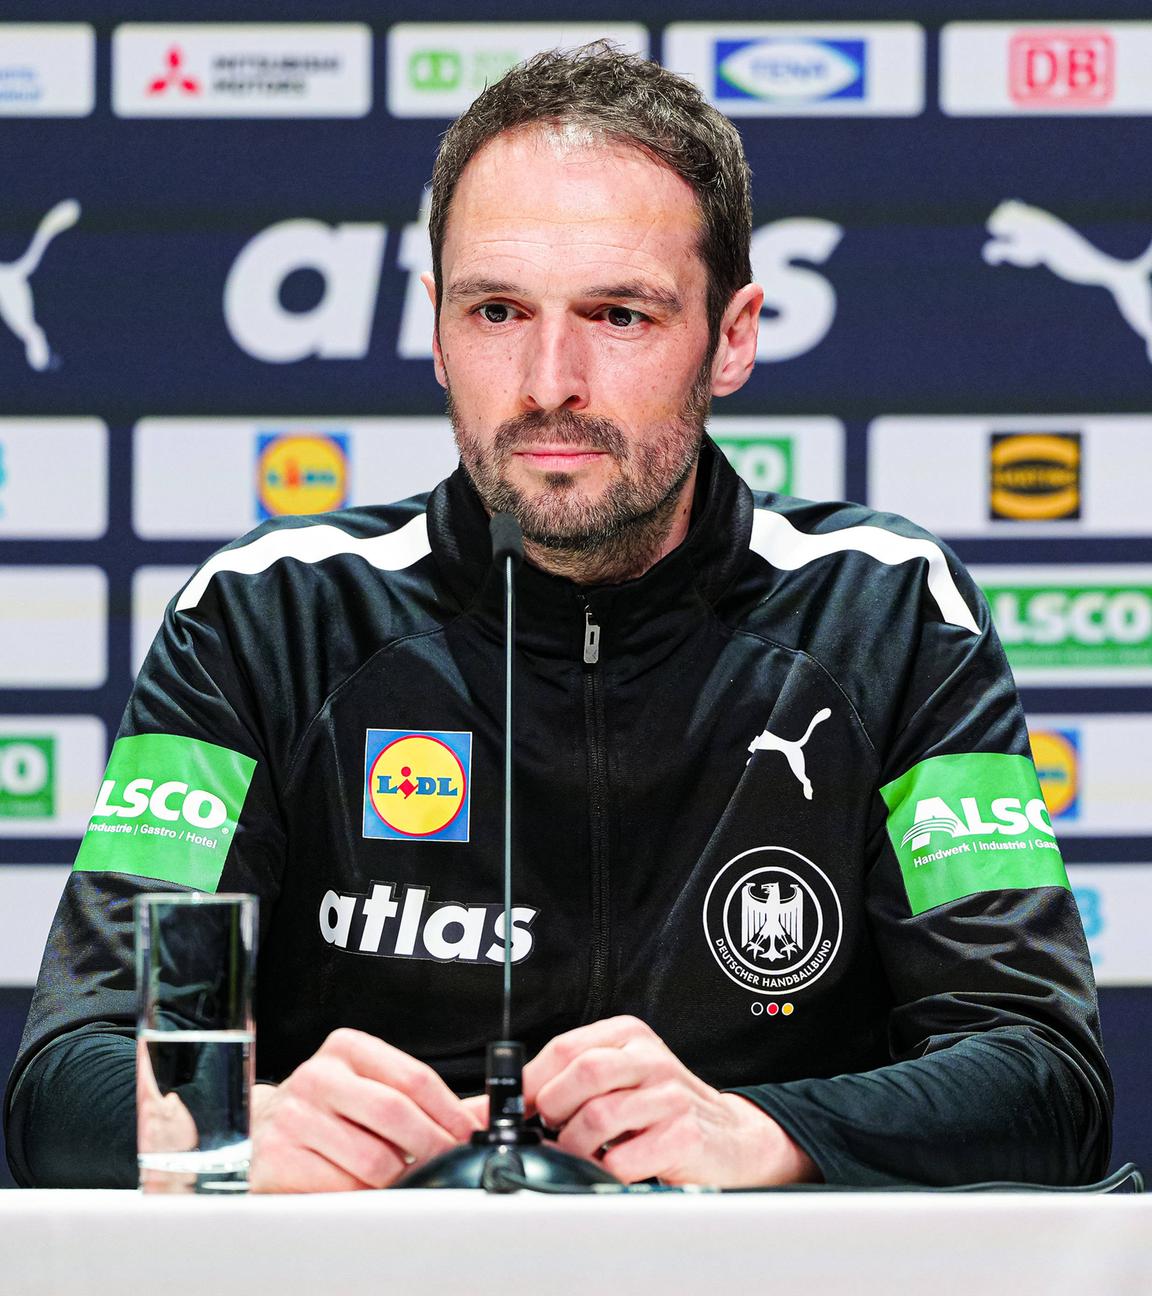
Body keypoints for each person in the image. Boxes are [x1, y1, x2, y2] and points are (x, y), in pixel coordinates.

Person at [6, 44, 1111, 1192]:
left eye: (619, 314)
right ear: (437, 331)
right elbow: (65, 1080)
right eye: (496, 310)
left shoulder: (886, 617)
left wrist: (758, 1132)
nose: (548, 382)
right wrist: (222, 1129)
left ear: (732, 336)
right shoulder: (266, 620)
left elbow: (1044, 1079)